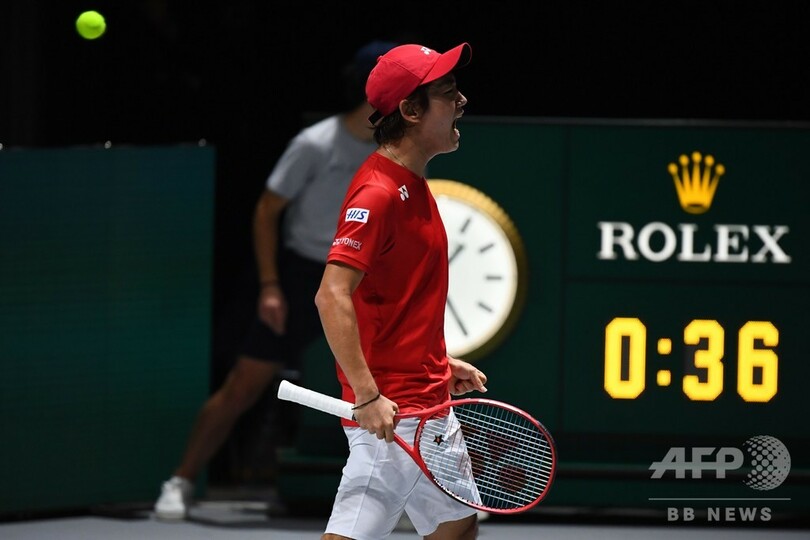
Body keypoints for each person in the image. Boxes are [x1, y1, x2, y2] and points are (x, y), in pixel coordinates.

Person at [153, 39, 399, 521]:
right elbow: (267, 210)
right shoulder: (316, 143)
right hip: (300, 274)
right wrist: (269, 286)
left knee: (390, 389)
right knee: (245, 384)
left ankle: (412, 493)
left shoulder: (396, 152)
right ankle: (180, 480)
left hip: (365, 281)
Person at [314, 42, 488, 540]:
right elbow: (332, 295)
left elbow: (396, 297)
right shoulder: (379, 193)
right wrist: (368, 396)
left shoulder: (410, 182)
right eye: (448, 93)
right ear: (410, 111)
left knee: (457, 529)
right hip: (395, 418)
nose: (462, 101)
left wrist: (436, 360)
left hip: (430, 401)